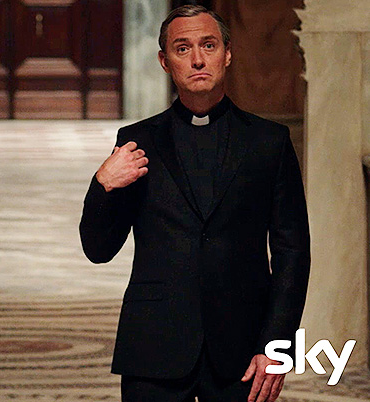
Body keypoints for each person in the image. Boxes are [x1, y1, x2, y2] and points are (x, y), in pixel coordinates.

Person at [79, 5, 310, 402]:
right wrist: (102, 185)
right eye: (183, 48)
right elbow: (98, 250)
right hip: (154, 346)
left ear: (228, 54)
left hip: (243, 349)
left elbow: (293, 251)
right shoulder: (138, 141)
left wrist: (277, 345)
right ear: (164, 61)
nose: (198, 59)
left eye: (209, 45)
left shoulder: (268, 142)